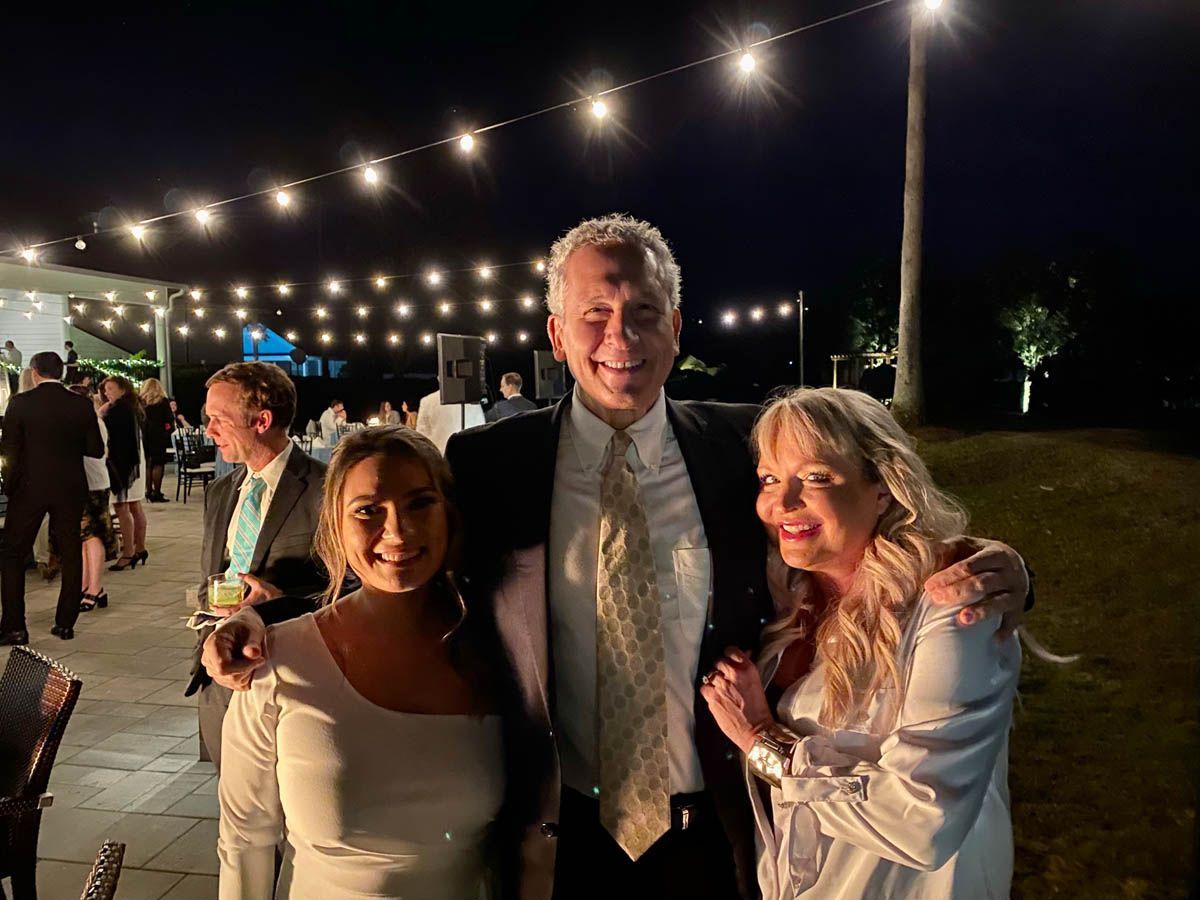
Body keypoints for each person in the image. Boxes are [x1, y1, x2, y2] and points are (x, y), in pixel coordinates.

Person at [203, 214, 1032, 899]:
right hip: (559, 843)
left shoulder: (746, 447)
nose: (620, 337)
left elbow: (859, 518)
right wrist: (267, 615)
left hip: (723, 835)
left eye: (643, 313)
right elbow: (404, 570)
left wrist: (1000, 566)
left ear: (675, 327)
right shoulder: (494, 464)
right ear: (557, 335)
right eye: (595, 315)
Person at [701, 387, 1020, 899]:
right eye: (769, 478)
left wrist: (763, 740)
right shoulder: (786, 593)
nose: (782, 502)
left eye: (816, 477)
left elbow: (925, 821)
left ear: (883, 487)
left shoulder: (952, 611)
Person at [217, 425, 505, 899]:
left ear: (449, 514)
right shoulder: (278, 662)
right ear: (335, 525)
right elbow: (244, 841)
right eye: (369, 511)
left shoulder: (498, 652)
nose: (398, 531)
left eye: (420, 503)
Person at [185, 362, 328, 769]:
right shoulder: (220, 493)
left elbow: (357, 588)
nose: (209, 430)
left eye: (219, 419)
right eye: (207, 418)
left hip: (290, 681)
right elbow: (209, 579)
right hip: (219, 682)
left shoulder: (327, 488)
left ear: (262, 421)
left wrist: (282, 603)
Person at [0, 352, 104, 645]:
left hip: (29, 488)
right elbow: (95, 449)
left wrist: (10, 486)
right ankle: (65, 622)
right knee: (71, 552)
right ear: (62, 372)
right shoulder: (81, 404)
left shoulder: (20, 403)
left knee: (12, 554)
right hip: (70, 487)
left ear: (35, 373)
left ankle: (14, 626)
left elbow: (9, 450)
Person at [73, 387, 118, 612]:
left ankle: (95, 587)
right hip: (81, 484)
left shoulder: (94, 423)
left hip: (94, 484)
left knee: (93, 537)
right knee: (83, 538)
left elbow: (97, 452)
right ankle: (85, 585)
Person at [100, 376, 148, 572]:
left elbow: (106, 433)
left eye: (110, 388)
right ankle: (140, 548)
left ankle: (128, 552)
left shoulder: (118, 409)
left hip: (124, 464)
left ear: (122, 389)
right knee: (135, 506)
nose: (106, 393)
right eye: (105, 390)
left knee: (122, 507)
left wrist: (100, 413)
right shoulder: (133, 406)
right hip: (136, 462)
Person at [415, 382, 485, 454]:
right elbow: (481, 430)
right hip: (468, 455)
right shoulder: (472, 401)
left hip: (440, 458)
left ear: (439, 379)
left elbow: (421, 439)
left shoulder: (427, 401)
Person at [140, 377, 175, 502]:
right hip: (159, 435)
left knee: (148, 464)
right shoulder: (163, 401)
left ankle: (148, 491)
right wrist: (168, 431)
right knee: (158, 464)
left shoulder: (141, 402)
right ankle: (157, 492)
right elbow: (169, 420)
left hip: (144, 435)